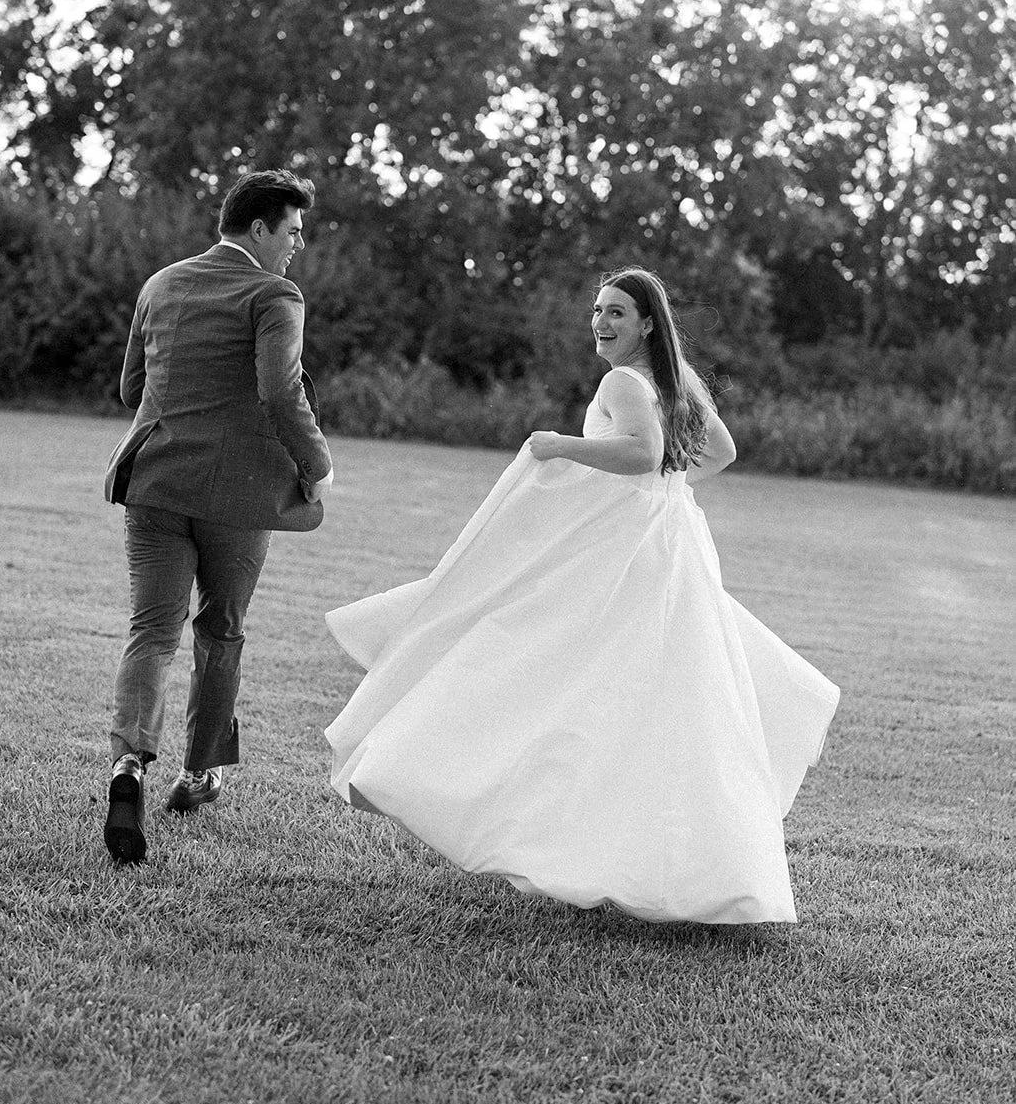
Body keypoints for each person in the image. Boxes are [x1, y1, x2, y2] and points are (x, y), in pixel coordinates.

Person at [324, 266, 839, 924]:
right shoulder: (674, 382)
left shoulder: (623, 381)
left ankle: (457, 779)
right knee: (662, 694)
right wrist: (669, 491)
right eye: (597, 311)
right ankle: (675, 862)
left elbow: (639, 452)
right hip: (667, 546)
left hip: (634, 554)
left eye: (616, 312)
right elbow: (717, 452)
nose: (600, 322)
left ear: (647, 322)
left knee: (550, 661)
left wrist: (560, 444)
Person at [102, 169, 333, 866]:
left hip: (155, 482)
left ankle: (128, 767)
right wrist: (316, 465)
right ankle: (198, 775)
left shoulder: (161, 283)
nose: (296, 247)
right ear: (259, 228)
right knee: (221, 629)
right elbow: (279, 389)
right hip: (234, 497)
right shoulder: (273, 293)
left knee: (151, 632)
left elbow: (129, 389)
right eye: (291, 232)